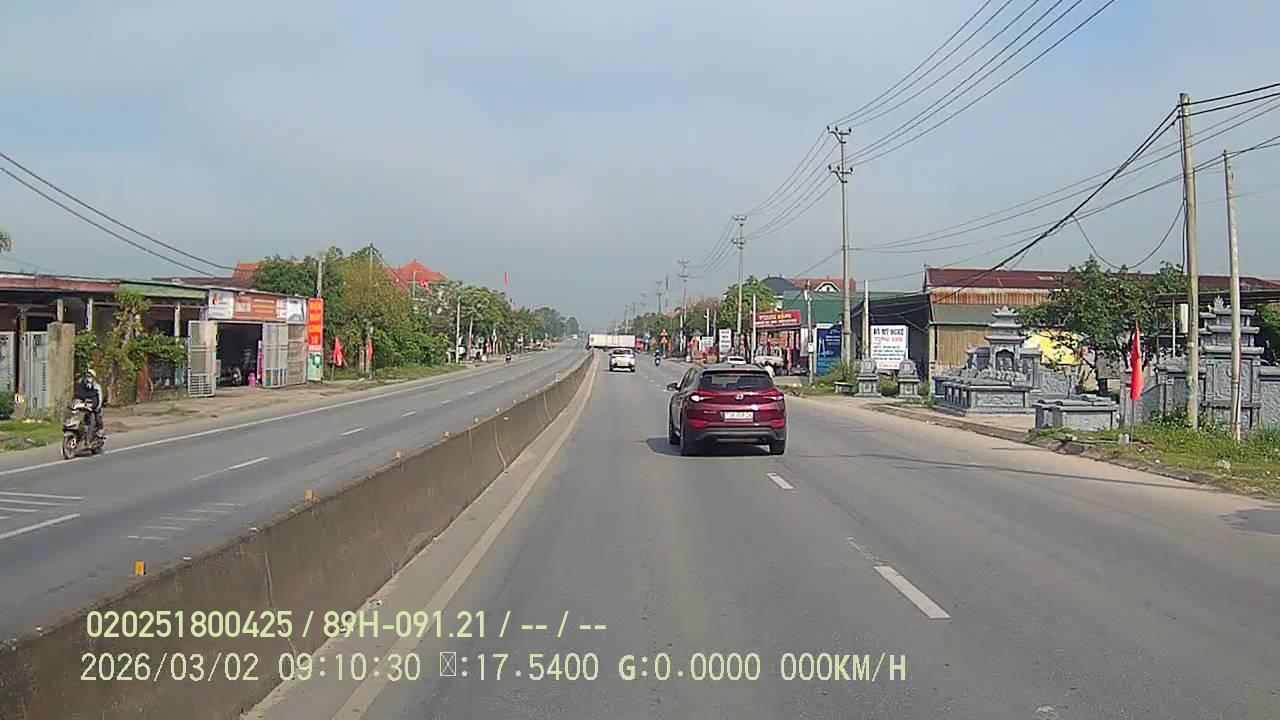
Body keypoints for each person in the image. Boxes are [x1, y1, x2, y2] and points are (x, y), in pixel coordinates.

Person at [74, 368, 105, 440]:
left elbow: (99, 398)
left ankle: (100, 430)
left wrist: (97, 406)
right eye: (86, 376)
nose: (88, 378)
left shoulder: (96, 386)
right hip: (83, 405)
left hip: (94, 405)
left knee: (96, 415)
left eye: (90, 376)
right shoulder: (81, 384)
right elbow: (77, 394)